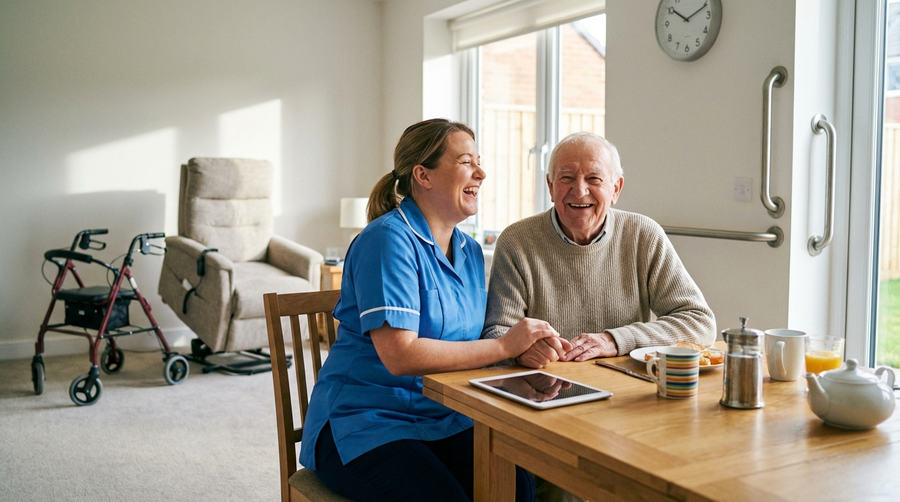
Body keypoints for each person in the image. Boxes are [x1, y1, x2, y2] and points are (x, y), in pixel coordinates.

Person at [300, 118, 562, 502]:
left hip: (444, 415)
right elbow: (400, 355)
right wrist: (505, 345)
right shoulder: (387, 240)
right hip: (364, 422)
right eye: (466, 162)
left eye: (479, 162)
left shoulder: (471, 252)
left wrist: (523, 355)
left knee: (517, 488)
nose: (481, 173)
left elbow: (468, 343)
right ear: (423, 175)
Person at [481, 132, 716, 501]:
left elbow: (698, 320)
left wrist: (614, 339)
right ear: (550, 186)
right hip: (548, 411)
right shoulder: (517, 241)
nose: (580, 191)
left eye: (594, 178)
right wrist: (522, 349)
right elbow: (496, 332)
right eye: (566, 177)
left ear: (616, 188)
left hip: (629, 409)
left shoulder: (643, 234)